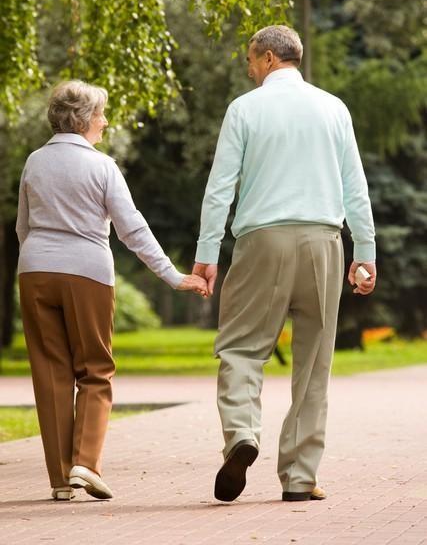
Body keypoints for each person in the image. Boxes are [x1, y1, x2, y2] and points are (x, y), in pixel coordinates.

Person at [192, 25, 376, 503]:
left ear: (270, 58)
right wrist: (366, 254)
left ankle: (241, 435)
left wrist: (206, 255)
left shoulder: (245, 109)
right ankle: (299, 477)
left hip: (261, 242)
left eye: (251, 60)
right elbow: (355, 187)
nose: (249, 69)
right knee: (314, 364)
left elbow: (220, 189)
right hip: (324, 243)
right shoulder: (334, 108)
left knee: (240, 349)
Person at [16, 80, 207, 502]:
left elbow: (22, 227)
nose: (105, 121)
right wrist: (173, 277)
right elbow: (132, 229)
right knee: (95, 370)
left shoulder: (34, 161)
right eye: (100, 114)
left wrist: (32, 263)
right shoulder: (102, 167)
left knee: (50, 375)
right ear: (83, 120)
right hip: (86, 272)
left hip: (35, 272)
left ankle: (61, 479)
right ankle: (86, 462)